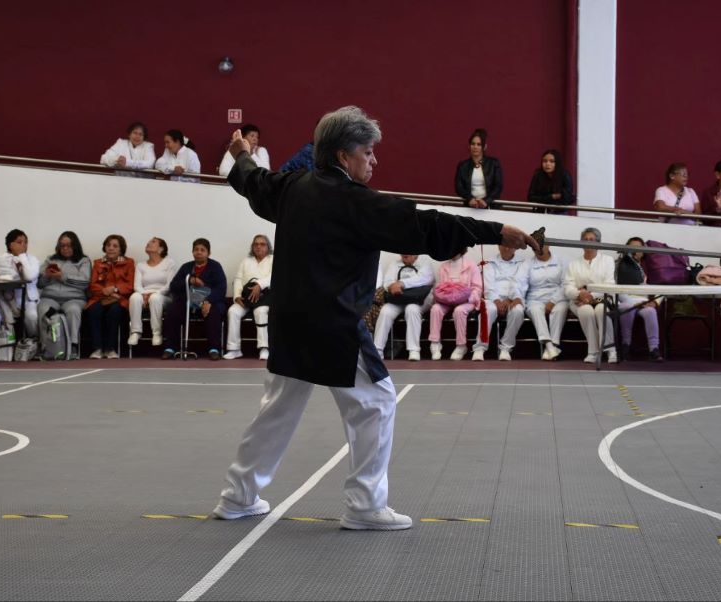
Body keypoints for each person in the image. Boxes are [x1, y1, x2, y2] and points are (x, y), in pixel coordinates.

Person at [214, 105, 537, 530]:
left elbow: (251, 181)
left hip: (290, 322)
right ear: (344, 156)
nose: (374, 160)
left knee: (277, 409)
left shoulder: (291, 188)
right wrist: (496, 232)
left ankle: (238, 497)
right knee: (377, 403)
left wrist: (240, 153)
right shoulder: (357, 204)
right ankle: (365, 506)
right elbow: (426, 225)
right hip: (335, 326)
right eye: (368, 152)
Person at [161, 238, 227, 361]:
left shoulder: (215, 266)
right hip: (188, 301)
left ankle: (214, 348)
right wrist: (189, 280)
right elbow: (173, 286)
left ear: (208, 253)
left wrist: (208, 301)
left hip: (209, 300)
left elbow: (221, 288)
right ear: (192, 252)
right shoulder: (186, 267)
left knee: (214, 312)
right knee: (173, 311)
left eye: (202, 250)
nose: (199, 252)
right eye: (196, 249)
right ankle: (170, 347)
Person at [565, 227, 617, 364]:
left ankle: (611, 349)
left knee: (601, 310)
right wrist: (579, 294)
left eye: (592, 240)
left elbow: (609, 285)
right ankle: (593, 351)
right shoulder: (573, 264)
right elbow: (567, 288)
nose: (588, 242)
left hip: (601, 298)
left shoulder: (608, 260)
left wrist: (591, 295)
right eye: (585, 240)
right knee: (586, 311)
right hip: (579, 301)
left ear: (598, 243)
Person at [37, 231, 91, 360]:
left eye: (69, 245)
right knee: (43, 310)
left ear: (75, 246)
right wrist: (48, 276)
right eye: (62, 246)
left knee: (73, 311)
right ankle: (45, 346)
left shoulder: (84, 261)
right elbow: (39, 283)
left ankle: (72, 345)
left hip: (74, 298)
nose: (65, 248)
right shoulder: (51, 259)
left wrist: (63, 277)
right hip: (51, 298)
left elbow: (85, 282)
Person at [373, 254, 434, 361]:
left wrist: (401, 283)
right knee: (385, 311)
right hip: (399, 298)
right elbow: (387, 282)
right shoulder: (394, 264)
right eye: (402, 253)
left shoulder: (425, 262)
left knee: (412, 309)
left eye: (408, 252)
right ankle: (377, 350)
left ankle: (414, 350)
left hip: (419, 299)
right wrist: (391, 287)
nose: (404, 255)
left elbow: (424, 279)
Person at [0, 229, 41, 339]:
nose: (23, 245)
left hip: (28, 300)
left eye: (25, 242)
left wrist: (22, 256)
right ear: (10, 245)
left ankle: (33, 341)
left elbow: (29, 276)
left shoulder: (32, 259)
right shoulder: (1, 259)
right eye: (19, 242)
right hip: (5, 300)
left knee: (32, 316)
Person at [223, 235, 274, 361]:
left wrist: (259, 285)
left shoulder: (273, 259)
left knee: (260, 312)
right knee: (233, 311)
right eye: (256, 244)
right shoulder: (246, 261)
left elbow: (274, 277)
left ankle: (264, 348)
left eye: (262, 244)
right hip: (246, 298)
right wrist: (237, 296)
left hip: (264, 298)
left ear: (268, 247)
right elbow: (238, 279)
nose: (258, 246)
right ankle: (234, 349)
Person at [86, 235, 135, 359]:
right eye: (108, 245)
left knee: (115, 312)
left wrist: (115, 289)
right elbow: (93, 285)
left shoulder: (129, 263)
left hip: (120, 298)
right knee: (93, 311)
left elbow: (130, 284)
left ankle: (110, 349)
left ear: (121, 249)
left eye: (115, 246)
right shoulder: (98, 263)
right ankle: (97, 349)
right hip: (100, 297)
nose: (111, 248)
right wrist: (105, 291)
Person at [472, 245, 524, 361]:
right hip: (492, 299)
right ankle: (480, 347)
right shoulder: (488, 263)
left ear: (515, 247)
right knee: (487, 310)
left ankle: (506, 347)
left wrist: (510, 299)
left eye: (510, 246)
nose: (507, 248)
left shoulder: (522, 263)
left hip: (512, 298)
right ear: (499, 246)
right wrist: (497, 301)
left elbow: (519, 283)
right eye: (504, 245)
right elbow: (488, 285)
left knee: (518, 311)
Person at [428, 250, 482, 361]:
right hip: (448, 300)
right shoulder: (443, 267)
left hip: (467, 300)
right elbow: (441, 287)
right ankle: (435, 343)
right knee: (435, 309)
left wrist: (468, 297)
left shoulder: (471, 266)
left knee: (459, 311)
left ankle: (461, 346)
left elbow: (478, 289)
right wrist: (440, 296)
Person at [615, 237, 662, 361]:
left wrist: (655, 302)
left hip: (644, 302)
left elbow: (662, 287)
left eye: (638, 248)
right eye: (632, 247)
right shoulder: (619, 264)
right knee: (626, 307)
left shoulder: (650, 267)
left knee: (651, 311)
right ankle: (626, 345)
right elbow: (613, 287)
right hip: (625, 299)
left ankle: (654, 349)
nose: (635, 250)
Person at [518, 243, 568, 361]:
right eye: (534, 247)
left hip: (558, 297)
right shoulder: (527, 264)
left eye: (541, 246)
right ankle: (549, 345)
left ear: (548, 245)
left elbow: (565, 284)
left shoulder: (561, 261)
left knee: (560, 309)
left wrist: (553, 301)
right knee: (535, 310)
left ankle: (552, 346)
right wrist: (518, 298)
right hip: (535, 298)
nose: (538, 249)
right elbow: (520, 283)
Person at [128, 237, 176, 349]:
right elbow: (137, 286)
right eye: (148, 241)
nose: (148, 243)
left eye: (153, 242)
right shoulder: (140, 265)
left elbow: (169, 286)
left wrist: (153, 294)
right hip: (144, 295)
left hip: (164, 296)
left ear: (161, 249)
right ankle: (136, 332)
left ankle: (156, 333)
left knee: (155, 298)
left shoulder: (169, 263)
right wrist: (144, 294)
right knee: (134, 297)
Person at [454, 128, 502, 209]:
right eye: (473, 144)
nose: (475, 147)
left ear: (485, 147)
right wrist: (469, 199)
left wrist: (486, 201)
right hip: (469, 207)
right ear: (469, 146)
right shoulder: (463, 165)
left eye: (479, 144)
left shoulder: (493, 163)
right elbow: (459, 187)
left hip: (490, 207)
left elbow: (498, 186)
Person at [527, 149, 575, 214]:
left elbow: (568, 199)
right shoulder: (538, 175)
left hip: (559, 213)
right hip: (540, 212)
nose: (547, 164)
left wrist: (543, 198)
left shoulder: (565, 175)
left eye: (552, 161)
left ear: (557, 163)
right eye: (544, 161)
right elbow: (530, 197)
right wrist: (552, 197)